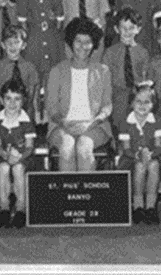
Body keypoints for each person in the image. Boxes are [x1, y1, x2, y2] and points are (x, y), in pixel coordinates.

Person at [46, 17, 112, 172]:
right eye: (78, 41)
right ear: (71, 42)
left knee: (83, 148)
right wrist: (65, 123)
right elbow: (51, 107)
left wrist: (90, 124)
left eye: (88, 42)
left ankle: (88, 194)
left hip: (95, 125)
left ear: (94, 44)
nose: (83, 46)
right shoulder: (57, 70)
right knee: (67, 147)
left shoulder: (103, 71)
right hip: (61, 125)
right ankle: (67, 195)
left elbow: (107, 106)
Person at [117, 81, 161, 225]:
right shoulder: (125, 122)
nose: (142, 105)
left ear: (153, 104)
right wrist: (138, 155)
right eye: (138, 101)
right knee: (139, 166)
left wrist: (149, 154)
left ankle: (150, 206)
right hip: (130, 159)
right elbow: (126, 150)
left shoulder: (157, 121)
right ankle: (138, 206)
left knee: (154, 165)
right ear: (131, 103)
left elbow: (159, 147)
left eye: (147, 102)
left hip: (152, 157)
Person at [0, 80, 37, 229]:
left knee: (17, 168)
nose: (12, 103)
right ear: (1, 100)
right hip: (1, 157)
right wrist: (5, 155)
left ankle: (20, 209)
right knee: (3, 167)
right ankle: (4, 208)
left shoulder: (27, 123)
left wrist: (18, 157)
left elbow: (29, 148)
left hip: (23, 159)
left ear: (23, 101)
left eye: (17, 99)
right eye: (8, 98)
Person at [16, 0, 65, 99]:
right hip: (33, 47)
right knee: (32, 85)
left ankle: (51, 117)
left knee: (52, 84)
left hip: (52, 46)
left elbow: (59, 25)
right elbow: (22, 27)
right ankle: (34, 115)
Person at [102, 7, 149, 134]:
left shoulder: (143, 52)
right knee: (119, 124)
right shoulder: (110, 52)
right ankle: (118, 148)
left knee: (138, 124)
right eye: (124, 28)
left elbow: (145, 76)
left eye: (131, 27)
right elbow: (105, 78)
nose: (127, 31)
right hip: (118, 95)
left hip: (137, 94)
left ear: (138, 29)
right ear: (117, 29)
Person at [0, 24, 39, 121]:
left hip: (23, 111)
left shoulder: (30, 67)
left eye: (16, 42)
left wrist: (29, 119)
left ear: (23, 45)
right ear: (3, 45)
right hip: (3, 111)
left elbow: (31, 96)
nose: (12, 46)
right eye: (8, 42)